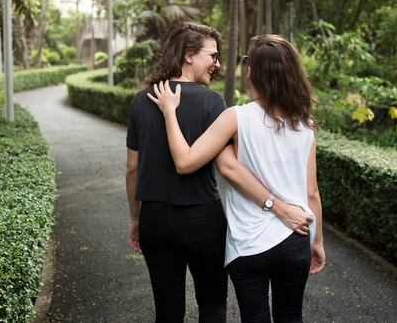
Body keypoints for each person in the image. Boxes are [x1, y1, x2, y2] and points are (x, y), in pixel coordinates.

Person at [126, 25, 313, 323]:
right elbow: (228, 164)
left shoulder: (141, 99)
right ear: (189, 56)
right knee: (212, 303)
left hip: (154, 218)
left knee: (167, 309)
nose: (217, 64)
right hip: (202, 219)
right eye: (212, 56)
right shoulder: (212, 102)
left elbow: (132, 168)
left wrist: (136, 219)